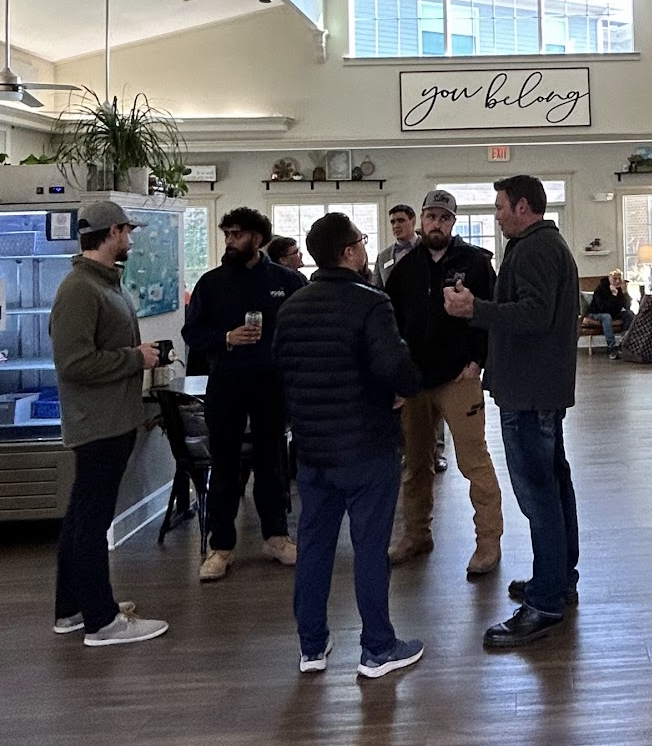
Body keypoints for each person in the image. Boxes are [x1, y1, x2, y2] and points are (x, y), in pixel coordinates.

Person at [274, 212, 425, 678]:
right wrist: (403, 387)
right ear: (349, 252)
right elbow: (395, 367)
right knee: (369, 547)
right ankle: (377, 647)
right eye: (360, 240)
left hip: (313, 449)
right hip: (366, 447)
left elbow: (281, 371)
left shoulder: (292, 307)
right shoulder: (370, 303)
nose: (364, 247)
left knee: (315, 546)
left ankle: (311, 647)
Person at [443, 174, 579, 649]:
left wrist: (474, 310)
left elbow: (535, 315)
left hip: (530, 392)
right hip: (536, 388)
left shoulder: (536, 248)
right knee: (553, 487)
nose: (496, 215)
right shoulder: (539, 245)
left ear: (523, 207)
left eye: (500, 207)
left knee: (539, 495)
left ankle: (545, 604)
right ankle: (557, 579)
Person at [49, 200, 168, 646]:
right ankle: (102, 621)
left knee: (82, 517)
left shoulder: (101, 283)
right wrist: (135, 358)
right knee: (91, 521)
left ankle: (72, 609)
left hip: (110, 419)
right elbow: (73, 363)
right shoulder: (80, 289)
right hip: (97, 423)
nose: (130, 240)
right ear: (113, 232)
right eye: (127, 232)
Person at [383, 189, 504, 575]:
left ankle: (488, 542)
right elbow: (391, 323)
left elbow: (492, 314)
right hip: (415, 381)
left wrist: (478, 360)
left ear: (453, 222)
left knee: (474, 462)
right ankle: (416, 534)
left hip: (459, 378)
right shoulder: (403, 269)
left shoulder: (476, 263)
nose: (436, 223)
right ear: (421, 220)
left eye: (444, 217)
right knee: (416, 465)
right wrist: (397, 373)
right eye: (431, 216)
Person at [182, 206, 305, 582]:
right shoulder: (211, 283)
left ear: (258, 238)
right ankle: (220, 547)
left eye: (237, 235)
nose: (230, 241)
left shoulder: (288, 281)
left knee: (272, 461)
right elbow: (192, 332)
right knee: (224, 464)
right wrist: (225, 338)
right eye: (227, 235)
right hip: (227, 382)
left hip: (272, 383)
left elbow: (305, 328)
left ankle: (277, 537)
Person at [589, 269, 634, 358]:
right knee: (607, 317)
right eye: (614, 279)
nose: (617, 281)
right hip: (597, 313)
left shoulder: (619, 289)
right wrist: (613, 295)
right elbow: (603, 308)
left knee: (629, 314)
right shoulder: (601, 288)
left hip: (612, 313)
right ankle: (611, 347)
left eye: (619, 279)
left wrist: (625, 293)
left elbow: (626, 307)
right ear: (609, 278)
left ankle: (623, 343)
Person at [373, 204, 418, 286]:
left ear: (413, 221)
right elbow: (376, 288)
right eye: (392, 222)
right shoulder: (383, 257)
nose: (396, 226)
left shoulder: (429, 248)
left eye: (401, 221)